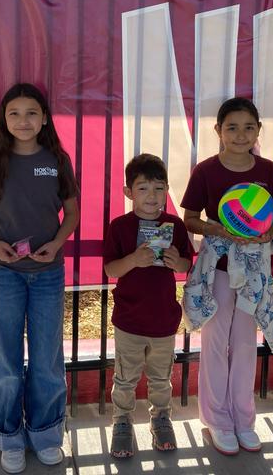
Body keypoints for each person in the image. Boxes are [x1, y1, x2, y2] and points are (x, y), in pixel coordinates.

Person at [0, 83, 80, 474]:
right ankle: (8, 436)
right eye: (14, 113)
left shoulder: (57, 160)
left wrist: (57, 243)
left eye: (31, 112)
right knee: (7, 361)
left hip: (48, 273)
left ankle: (46, 433)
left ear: (44, 118)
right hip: (3, 274)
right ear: (3, 119)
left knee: (47, 360)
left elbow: (72, 214)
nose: (23, 121)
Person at [180, 97, 273, 455]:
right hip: (219, 271)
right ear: (218, 131)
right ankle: (216, 421)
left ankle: (244, 420)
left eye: (248, 127)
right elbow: (190, 218)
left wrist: (268, 232)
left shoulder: (269, 170)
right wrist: (223, 231)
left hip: (253, 272)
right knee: (214, 343)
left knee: (244, 345)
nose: (240, 134)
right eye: (232, 127)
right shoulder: (207, 170)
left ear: (258, 130)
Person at [103, 153, 193, 459]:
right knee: (125, 377)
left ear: (167, 190)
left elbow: (187, 264)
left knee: (160, 377)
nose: (152, 196)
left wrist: (176, 261)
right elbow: (111, 270)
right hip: (128, 320)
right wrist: (134, 260)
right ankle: (122, 422)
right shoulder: (119, 227)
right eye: (142, 188)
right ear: (129, 192)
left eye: (158, 188)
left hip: (163, 321)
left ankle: (161, 418)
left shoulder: (175, 225)